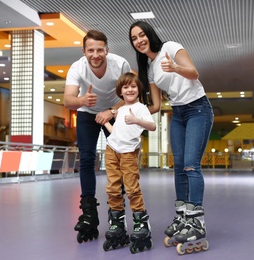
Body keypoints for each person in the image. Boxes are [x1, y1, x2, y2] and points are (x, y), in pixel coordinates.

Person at [129, 21, 213, 254]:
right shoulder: (150, 68)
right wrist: (129, 112)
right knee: (177, 167)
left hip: (197, 108)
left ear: (150, 35)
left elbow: (194, 73)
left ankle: (197, 220)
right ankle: (182, 217)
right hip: (177, 113)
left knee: (190, 165)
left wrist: (175, 67)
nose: (139, 40)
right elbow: (155, 105)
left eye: (142, 35)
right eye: (134, 38)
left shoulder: (171, 47)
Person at [64, 30, 131, 243]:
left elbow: (131, 95)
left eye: (100, 50)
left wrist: (111, 110)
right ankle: (89, 213)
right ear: (83, 51)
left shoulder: (120, 64)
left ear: (107, 50)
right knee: (86, 159)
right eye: (90, 50)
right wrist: (83, 101)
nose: (95, 55)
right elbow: (68, 100)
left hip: (113, 112)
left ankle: (117, 213)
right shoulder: (77, 68)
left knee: (119, 160)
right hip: (87, 113)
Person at [102, 72, 155, 254]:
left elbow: (152, 126)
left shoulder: (141, 108)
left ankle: (141, 222)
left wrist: (136, 120)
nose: (130, 89)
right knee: (112, 187)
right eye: (125, 87)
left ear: (138, 89)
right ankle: (117, 222)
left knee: (132, 188)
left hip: (129, 152)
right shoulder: (120, 109)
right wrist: (106, 124)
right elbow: (116, 132)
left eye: (133, 86)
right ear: (120, 92)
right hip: (112, 149)